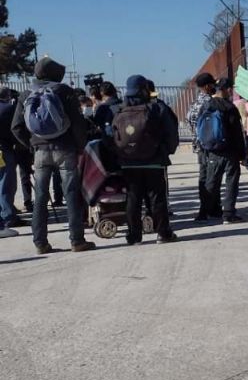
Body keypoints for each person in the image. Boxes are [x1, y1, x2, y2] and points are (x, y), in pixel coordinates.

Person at [11, 57, 95, 253]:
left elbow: (16, 127)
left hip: (40, 152)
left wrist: (31, 144)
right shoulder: (65, 91)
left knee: (40, 197)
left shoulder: (26, 94)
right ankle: (77, 241)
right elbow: (77, 123)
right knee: (71, 194)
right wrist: (80, 146)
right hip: (65, 149)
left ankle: (40, 243)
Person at [110, 75, 179, 245]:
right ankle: (163, 233)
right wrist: (165, 151)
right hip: (154, 161)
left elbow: (113, 136)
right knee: (157, 197)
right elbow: (171, 134)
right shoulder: (157, 108)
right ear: (144, 89)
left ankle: (134, 236)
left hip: (128, 162)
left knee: (133, 198)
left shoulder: (119, 111)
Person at [197, 77, 246, 224]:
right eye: (230, 88)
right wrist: (242, 154)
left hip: (212, 150)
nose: (231, 91)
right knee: (231, 182)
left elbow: (200, 129)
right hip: (229, 150)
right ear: (227, 89)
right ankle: (229, 213)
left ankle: (204, 212)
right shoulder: (229, 107)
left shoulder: (206, 106)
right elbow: (237, 134)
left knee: (211, 182)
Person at [187, 72, 217, 221]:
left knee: (204, 176)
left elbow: (190, 122)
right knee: (210, 177)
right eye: (212, 84)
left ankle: (207, 208)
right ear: (207, 86)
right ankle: (207, 209)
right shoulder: (210, 103)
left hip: (199, 146)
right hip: (210, 145)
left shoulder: (194, 104)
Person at [0, 88, 27, 230]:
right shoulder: (9, 109)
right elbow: (15, 129)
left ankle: (4, 212)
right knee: (7, 183)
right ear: (8, 96)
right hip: (4, 149)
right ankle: (9, 216)